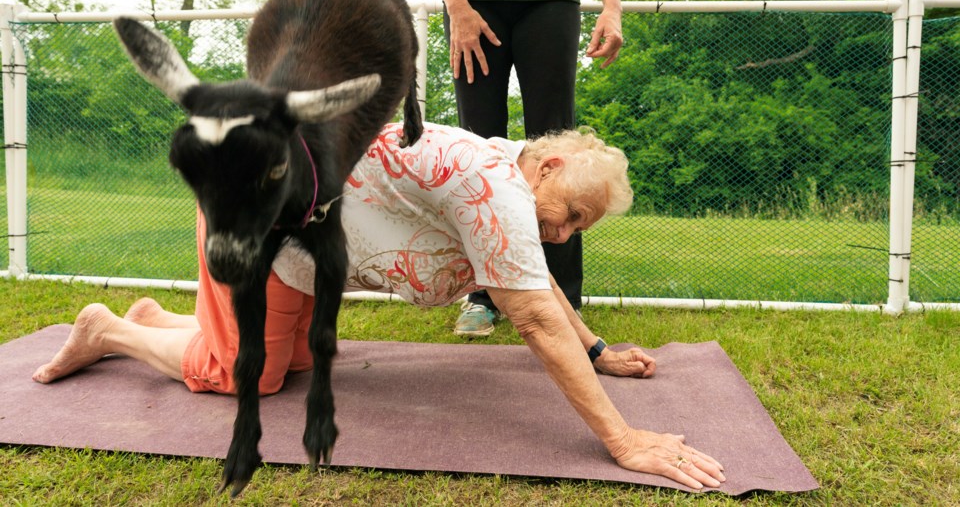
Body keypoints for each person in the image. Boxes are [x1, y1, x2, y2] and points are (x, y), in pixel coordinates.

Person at [32, 122, 724, 490]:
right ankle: (111, 330)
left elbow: (533, 282)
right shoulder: (492, 189)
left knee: (296, 363)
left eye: (580, 229)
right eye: (571, 214)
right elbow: (536, 315)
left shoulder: (507, 186)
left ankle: (165, 322)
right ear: (547, 168)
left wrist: (598, 352)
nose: (566, 234)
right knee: (253, 375)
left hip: (300, 255)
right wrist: (624, 442)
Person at [422, 0, 625, 336]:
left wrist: (612, 6)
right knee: (476, 151)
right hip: (473, 4)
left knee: (559, 153)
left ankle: (564, 300)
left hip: (549, 1)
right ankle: (482, 297)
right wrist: (457, 7)